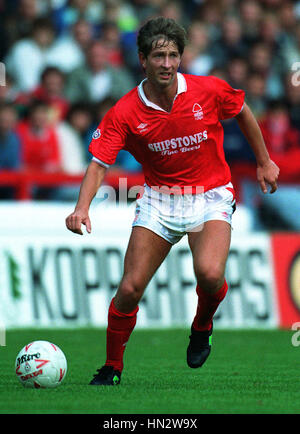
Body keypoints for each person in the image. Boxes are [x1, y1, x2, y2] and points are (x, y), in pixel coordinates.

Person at [65, 17, 279, 386]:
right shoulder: (125, 112)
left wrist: (263, 160)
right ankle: (112, 366)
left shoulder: (207, 90)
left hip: (210, 195)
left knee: (210, 274)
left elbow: (242, 110)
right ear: (142, 59)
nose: (167, 63)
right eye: (159, 55)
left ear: (181, 57)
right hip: (160, 200)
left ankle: (202, 324)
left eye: (173, 55)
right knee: (130, 289)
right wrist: (81, 207)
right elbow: (100, 164)